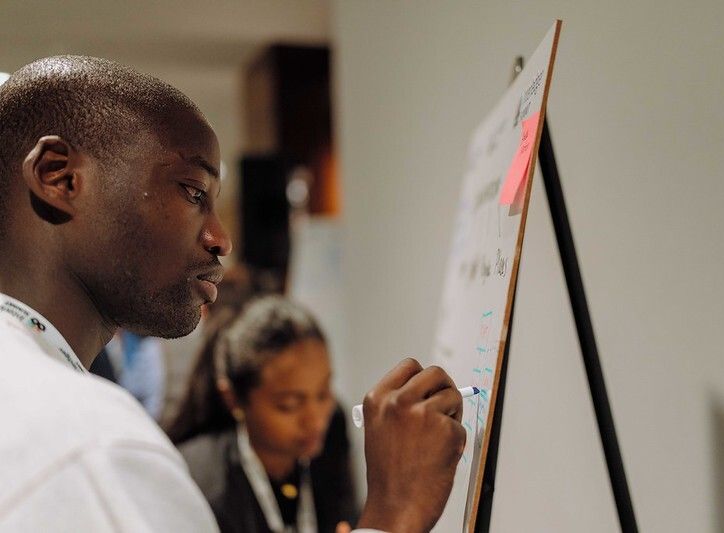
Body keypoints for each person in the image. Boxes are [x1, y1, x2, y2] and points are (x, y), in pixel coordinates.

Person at [0, 55, 466, 532]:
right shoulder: (87, 446)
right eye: (192, 191)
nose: (221, 239)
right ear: (59, 177)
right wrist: (393, 514)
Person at [168, 295, 357, 532]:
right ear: (233, 399)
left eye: (323, 393)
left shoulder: (332, 431)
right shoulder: (197, 481)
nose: (316, 419)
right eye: (289, 405)